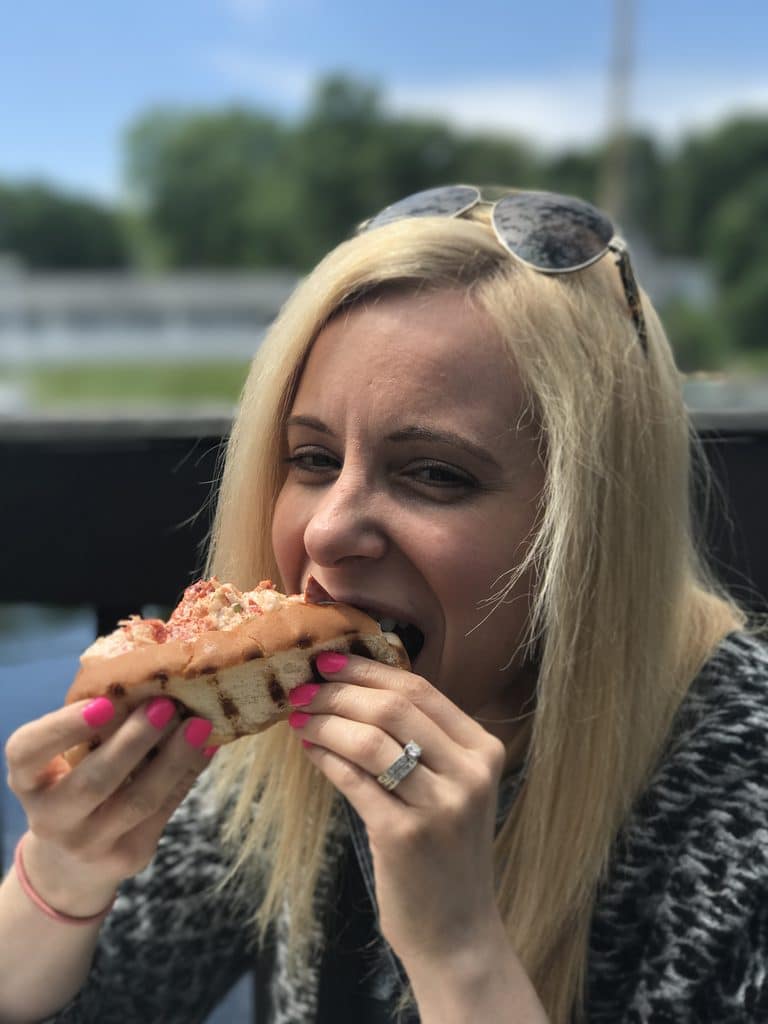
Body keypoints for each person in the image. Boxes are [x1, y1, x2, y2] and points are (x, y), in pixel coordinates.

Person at [1, 184, 767, 1024]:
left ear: (592, 522)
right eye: (312, 457)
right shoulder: (268, 727)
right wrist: (64, 877)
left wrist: (460, 953)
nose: (328, 534)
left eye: (436, 472)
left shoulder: (740, 801)